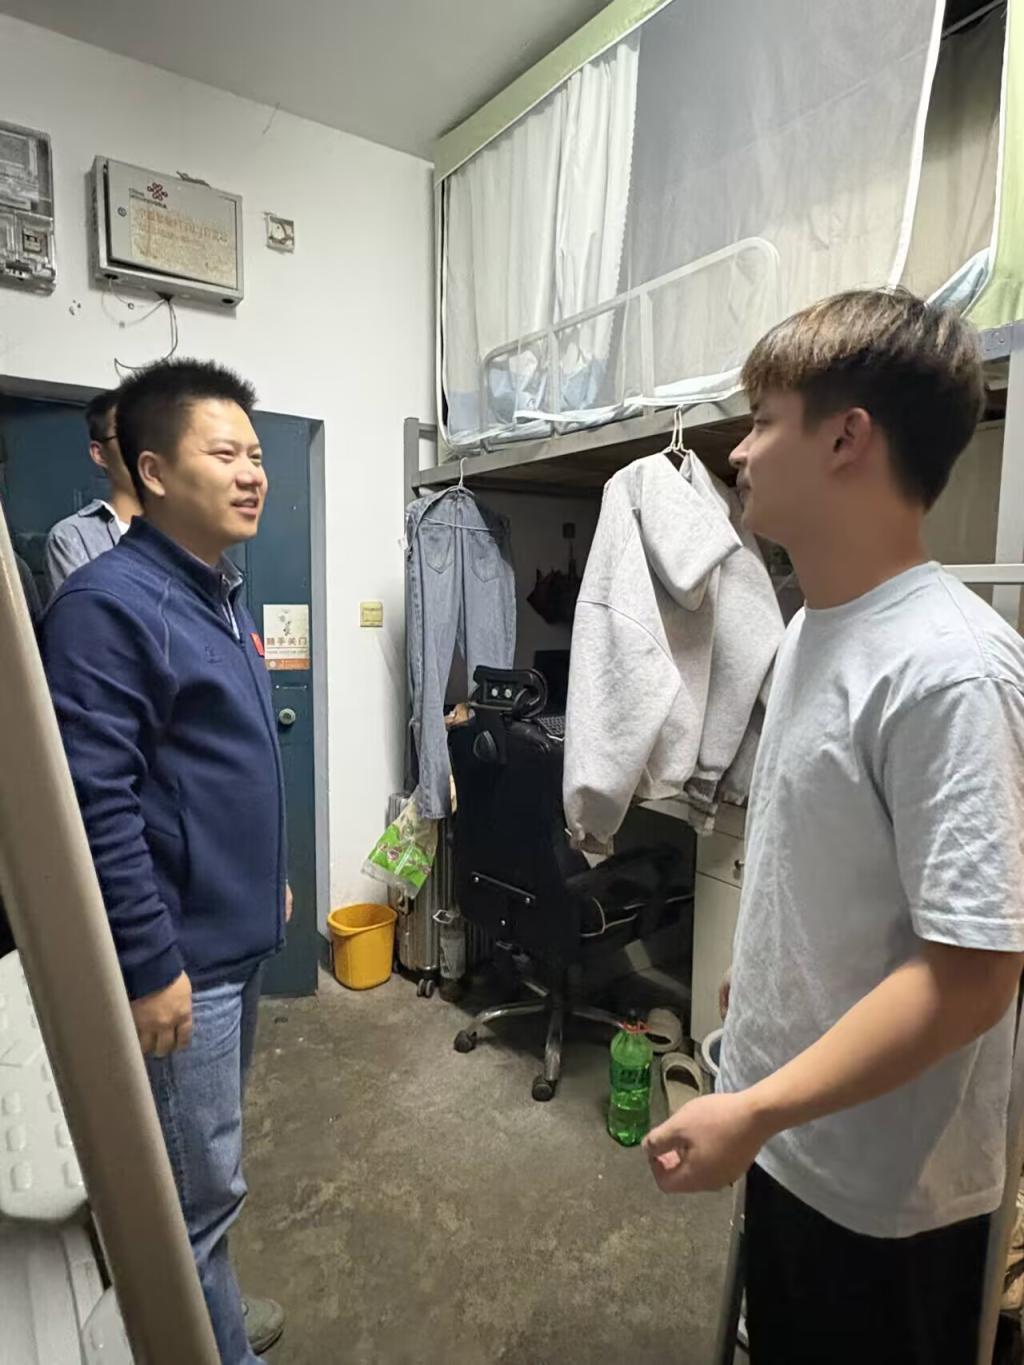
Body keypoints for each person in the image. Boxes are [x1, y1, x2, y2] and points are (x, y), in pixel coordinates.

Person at [643, 289, 1024, 1364]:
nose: (737, 451)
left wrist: (756, 1109)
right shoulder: (812, 629)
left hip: (884, 1195)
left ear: (847, 438)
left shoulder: (950, 672)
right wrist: (764, 982)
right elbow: (824, 859)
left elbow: (972, 976)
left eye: (764, 419)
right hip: (796, 1136)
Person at [40, 359, 289, 1363]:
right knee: (188, 1200)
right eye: (224, 453)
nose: (252, 473)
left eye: (256, 454)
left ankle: (212, 1302)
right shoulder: (110, 604)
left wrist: (265, 876)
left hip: (231, 943)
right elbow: (93, 801)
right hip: (184, 963)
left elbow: (214, 769)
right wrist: (150, 965)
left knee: (205, 1182)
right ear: (151, 470)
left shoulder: (216, 593)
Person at [44, 387, 142, 596]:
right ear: (100, 454)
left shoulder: (187, 531)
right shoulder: (72, 536)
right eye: (128, 435)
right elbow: (80, 614)